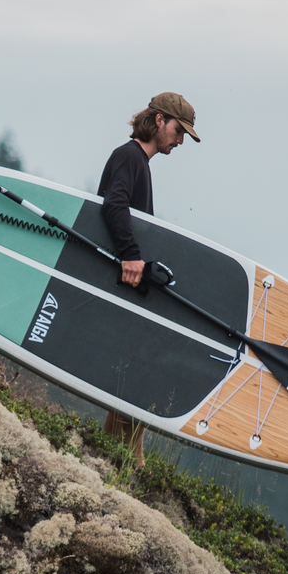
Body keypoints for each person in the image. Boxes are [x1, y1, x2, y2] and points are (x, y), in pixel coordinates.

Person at [97, 91, 200, 467]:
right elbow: (114, 203)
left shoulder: (141, 162)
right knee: (141, 364)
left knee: (137, 367)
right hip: (121, 278)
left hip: (129, 281)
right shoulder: (129, 157)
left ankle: (120, 453)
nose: (180, 140)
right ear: (159, 121)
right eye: (178, 130)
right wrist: (130, 255)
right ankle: (130, 458)